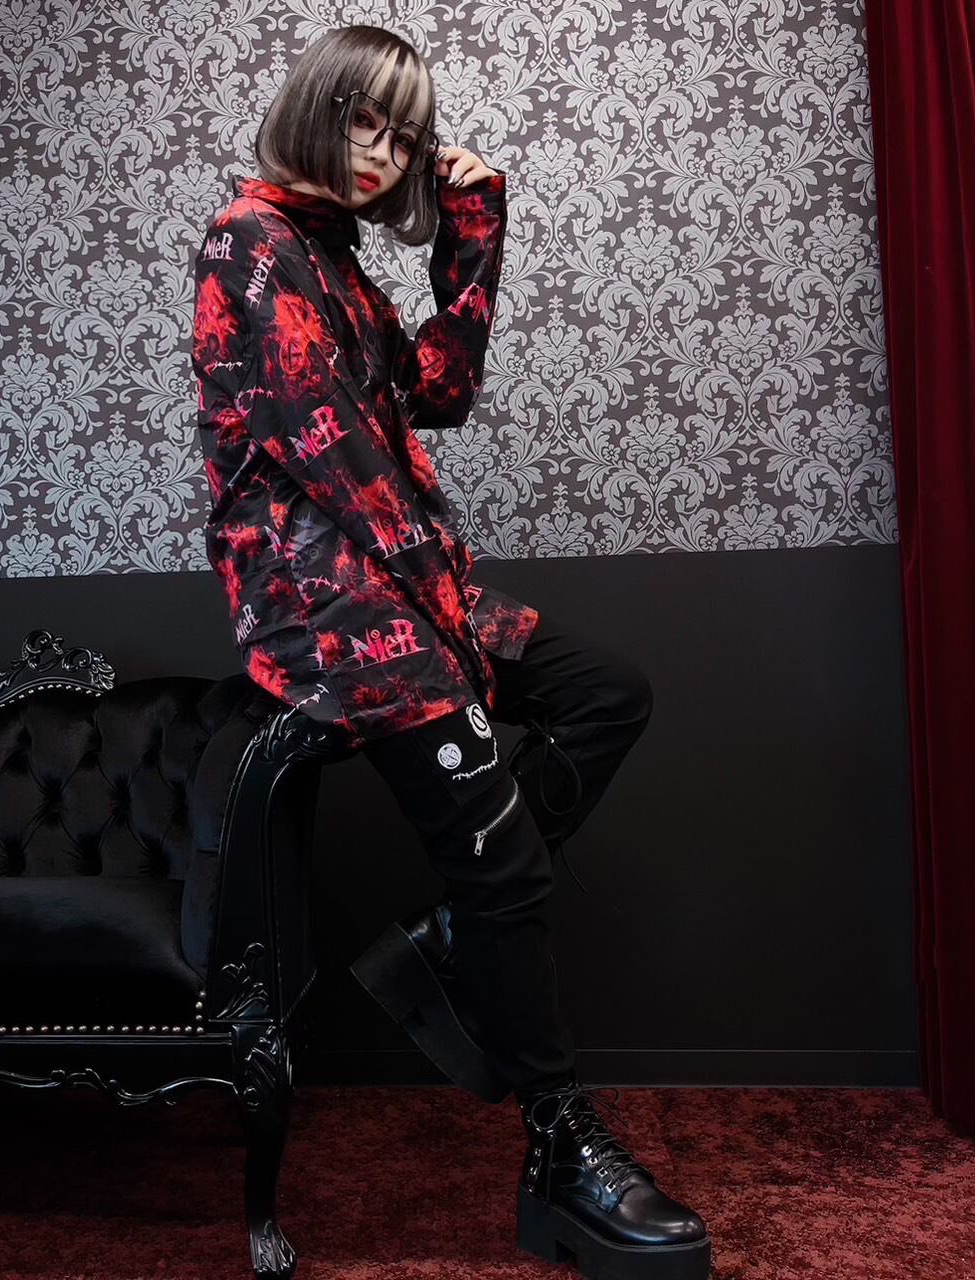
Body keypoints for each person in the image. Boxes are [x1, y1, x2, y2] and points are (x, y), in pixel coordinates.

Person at [191, 23, 711, 1279]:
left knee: (604, 693)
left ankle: (445, 936)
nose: (385, 152)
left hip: (402, 583)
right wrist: (451, 639)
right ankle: (560, 1145)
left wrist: (471, 229)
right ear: (317, 110)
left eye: (406, 134)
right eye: (365, 121)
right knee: (505, 866)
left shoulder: (334, 259)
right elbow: (341, 466)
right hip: (328, 610)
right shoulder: (250, 244)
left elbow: (439, 390)